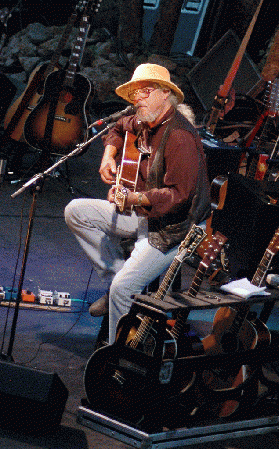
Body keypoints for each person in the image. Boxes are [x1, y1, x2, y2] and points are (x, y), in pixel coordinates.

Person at [64, 63, 211, 344]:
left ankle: (119, 354)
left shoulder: (180, 137)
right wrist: (108, 155)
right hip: (146, 213)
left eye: (145, 91)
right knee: (76, 212)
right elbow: (118, 127)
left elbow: (178, 197)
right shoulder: (146, 118)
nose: (137, 99)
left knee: (122, 290)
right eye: (134, 93)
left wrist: (132, 198)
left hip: (175, 228)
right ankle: (118, 276)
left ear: (165, 94)